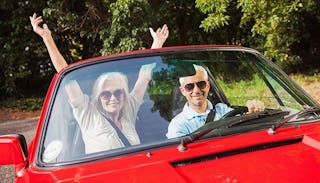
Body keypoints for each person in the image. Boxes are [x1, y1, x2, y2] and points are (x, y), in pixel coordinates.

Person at [30, 13, 169, 153]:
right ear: (98, 96)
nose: (113, 98)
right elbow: (65, 74)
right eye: (106, 94)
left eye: (118, 92)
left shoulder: (128, 109)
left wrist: (157, 43)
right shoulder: (87, 113)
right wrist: (47, 38)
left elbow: (144, 77)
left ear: (124, 95)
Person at [166, 64, 265, 138]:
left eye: (201, 84)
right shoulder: (178, 125)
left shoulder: (222, 109)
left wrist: (251, 112)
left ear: (208, 86)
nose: (196, 90)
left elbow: (240, 124)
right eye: (189, 87)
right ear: (183, 91)